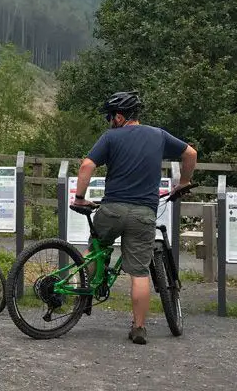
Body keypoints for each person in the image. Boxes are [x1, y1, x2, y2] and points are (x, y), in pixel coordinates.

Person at [71, 91, 196, 345]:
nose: (109, 121)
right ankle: (138, 328)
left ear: (119, 117)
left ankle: (81, 293)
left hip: (112, 209)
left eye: (109, 117)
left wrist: (80, 197)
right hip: (143, 214)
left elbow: (86, 166)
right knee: (139, 273)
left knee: (95, 247)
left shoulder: (111, 137)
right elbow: (190, 154)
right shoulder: (159, 135)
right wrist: (183, 182)